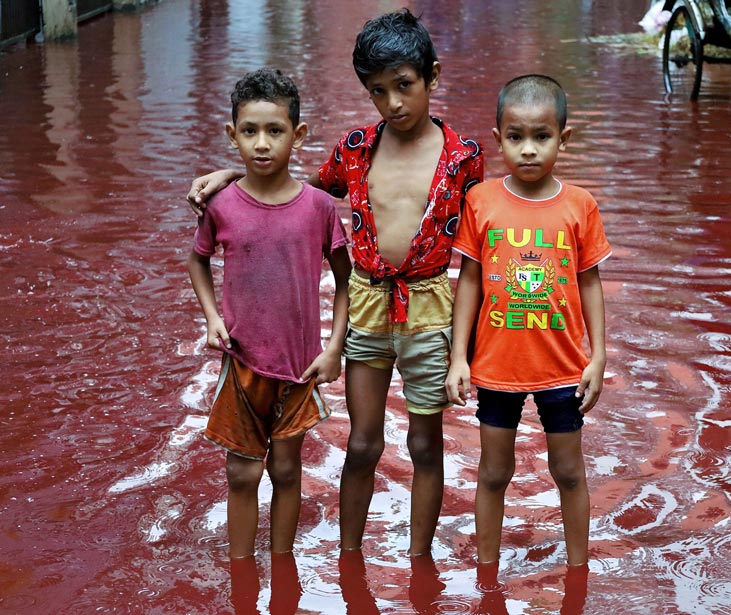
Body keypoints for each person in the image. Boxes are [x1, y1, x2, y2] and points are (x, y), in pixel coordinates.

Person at [186, 9, 484, 556]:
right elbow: (290, 188)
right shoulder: (355, 149)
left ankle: (418, 561)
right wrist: (230, 175)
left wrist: (469, 349)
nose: (394, 103)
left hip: (431, 308)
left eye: (405, 86)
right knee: (364, 442)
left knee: (424, 444)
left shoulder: (464, 158)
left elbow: (479, 252)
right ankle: (350, 560)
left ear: (432, 78)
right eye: (378, 91)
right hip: (369, 302)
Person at [445, 74, 611, 567]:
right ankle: (486, 574)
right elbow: (469, 281)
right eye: (515, 137)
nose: (529, 150)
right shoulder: (481, 201)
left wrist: (598, 356)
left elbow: (590, 283)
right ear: (498, 139)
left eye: (542, 137)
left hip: (564, 367)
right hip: (497, 366)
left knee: (569, 472)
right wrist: (459, 357)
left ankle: (578, 572)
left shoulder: (580, 205)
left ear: (564, 137)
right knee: (494, 473)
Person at [187, 68, 352, 559]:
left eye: (275, 131)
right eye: (250, 131)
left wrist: (334, 348)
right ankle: (241, 573)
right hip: (241, 361)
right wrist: (212, 317)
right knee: (241, 473)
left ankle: (282, 573)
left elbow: (346, 279)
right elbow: (197, 259)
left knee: (285, 470)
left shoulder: (320, 208)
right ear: (231, 135)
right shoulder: (220, 205)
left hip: (299, 364)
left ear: (298, 136)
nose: (262, 144)